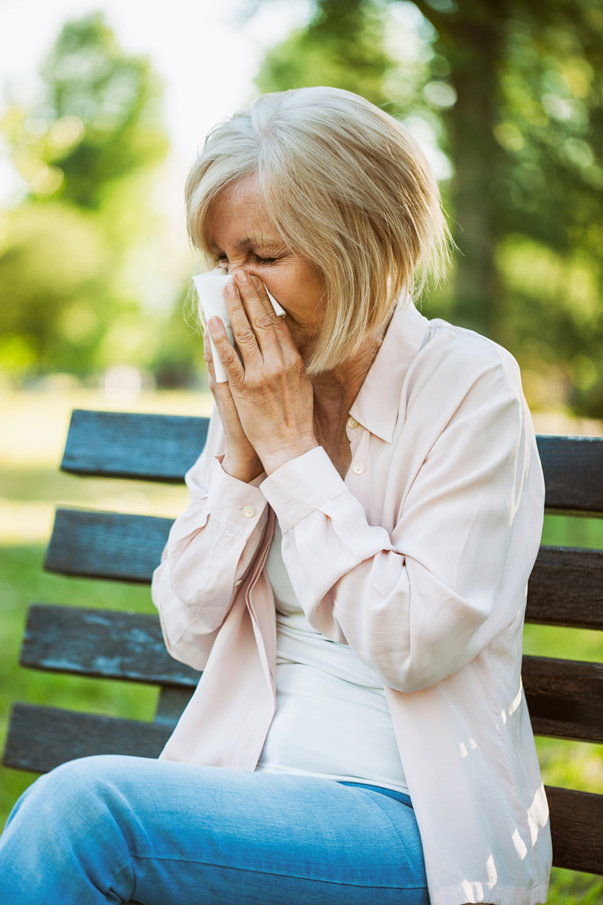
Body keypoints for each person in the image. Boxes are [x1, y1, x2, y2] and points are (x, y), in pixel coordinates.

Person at [0, 87, 551, 905]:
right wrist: (237, 461)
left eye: (261, 256)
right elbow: (186, 630)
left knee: (85, 817)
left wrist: (294, 456)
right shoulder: (261, 396)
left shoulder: (471, 386)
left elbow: (412, 643)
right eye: (223, 262)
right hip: (240, 789)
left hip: (412, 824)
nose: (234, 292)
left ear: (363, 246)